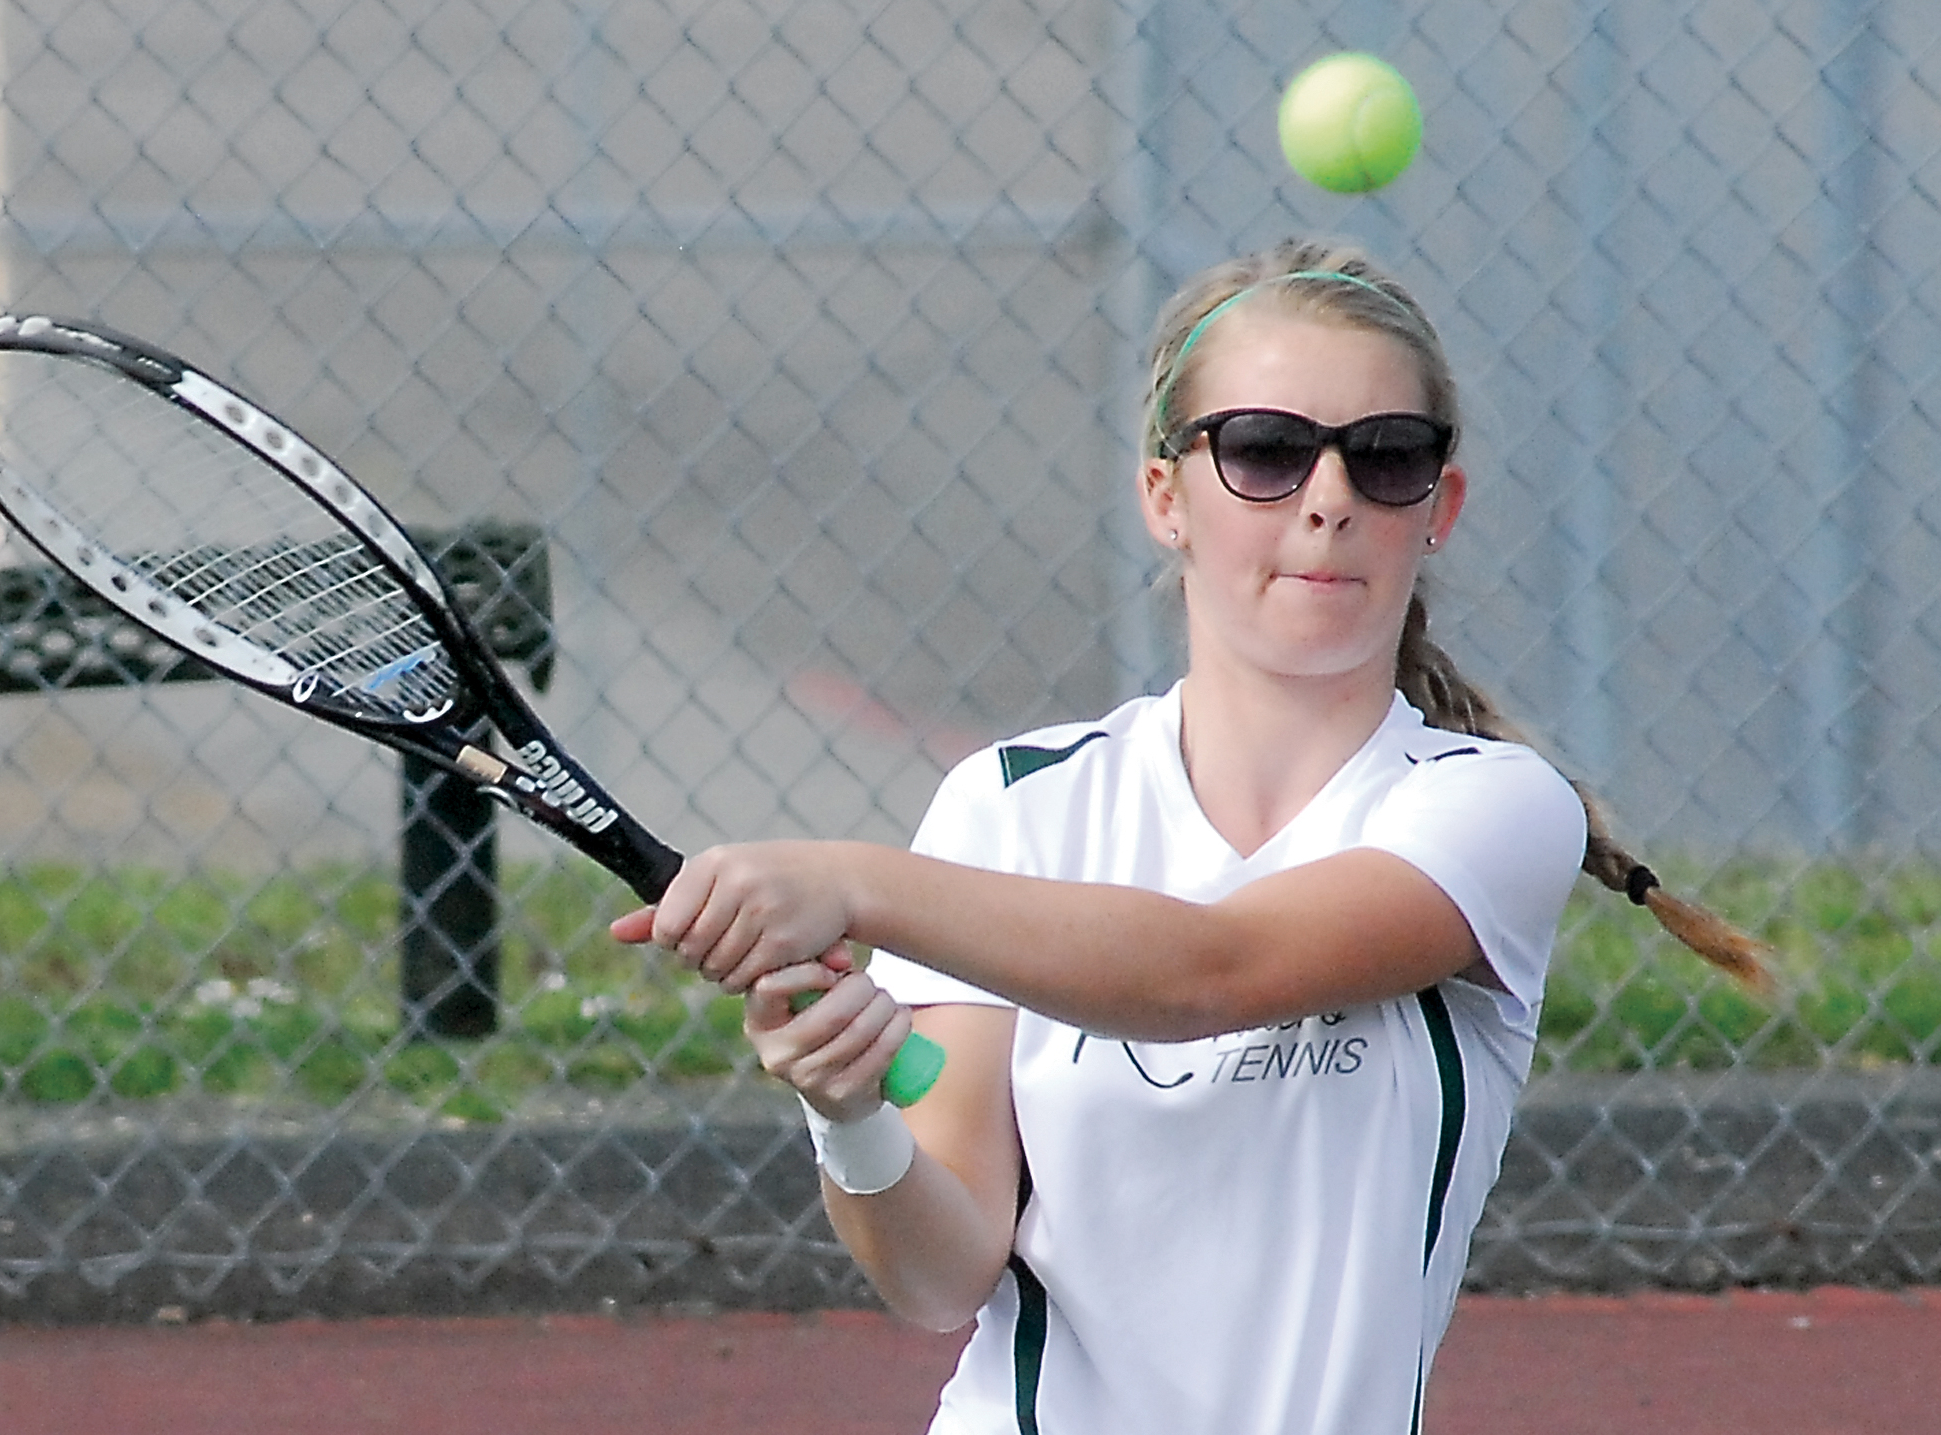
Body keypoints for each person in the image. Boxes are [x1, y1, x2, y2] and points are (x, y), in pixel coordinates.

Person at [612, 236, 1768, 1434]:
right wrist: (846, 1111)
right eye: (1265, 450)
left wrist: (849, 882)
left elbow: (1209, 971)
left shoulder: (1490, 808)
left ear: (1439, 509)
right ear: (1166, 495)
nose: (1327, 498)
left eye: (1384, 458)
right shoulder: (1011, 804)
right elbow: (935, 1276)